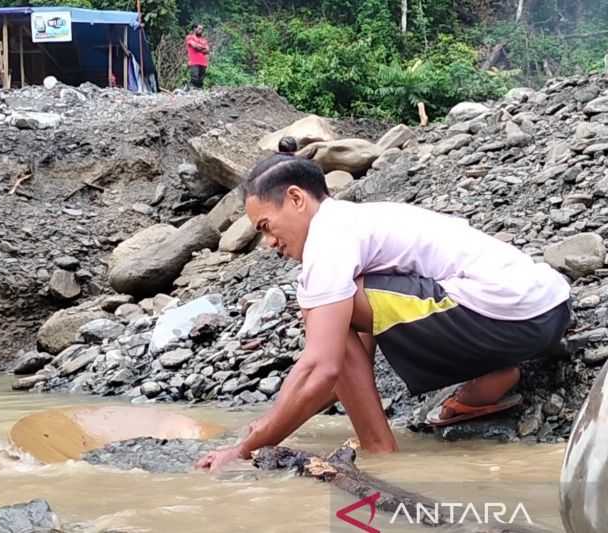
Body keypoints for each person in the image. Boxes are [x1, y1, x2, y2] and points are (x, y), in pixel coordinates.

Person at [196, 154, 571, 472]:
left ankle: (380, 451)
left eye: (266, 226)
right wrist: (267, 423)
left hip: (508, 318)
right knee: (337, 307)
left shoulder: (329, 238)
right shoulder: (356, 222)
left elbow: (323, 367)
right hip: (547, 313)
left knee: (324, 312)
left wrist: (244, 451)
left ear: (296, 199)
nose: (269, 242)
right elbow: (339, 368)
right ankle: (493, 376)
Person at [185, 24, 210, 89]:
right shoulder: (189, 37)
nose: (201, 30)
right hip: (194, 62)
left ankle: (199, 94)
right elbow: (195, 46)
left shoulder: (204, 40)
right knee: (194, 78)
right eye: (199, 29)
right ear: (194, 29)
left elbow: (207, 50)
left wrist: (199, 47)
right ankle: (191, 92)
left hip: (203, 62)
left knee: (201, 80)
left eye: (202, 29)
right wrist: (202, 47)